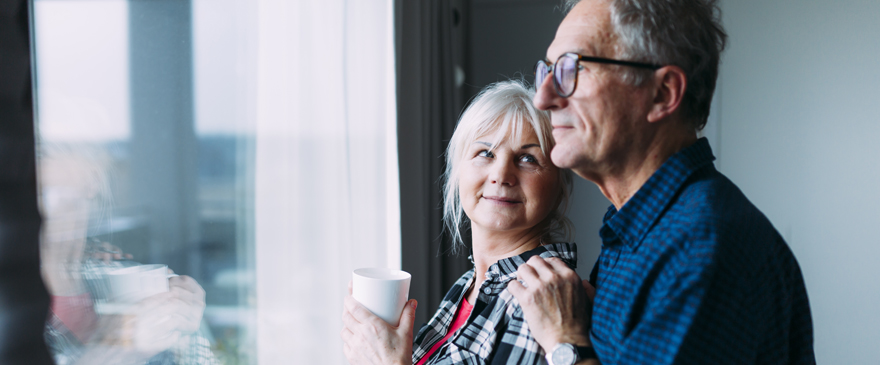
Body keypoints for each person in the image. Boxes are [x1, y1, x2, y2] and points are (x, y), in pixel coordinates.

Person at [505, 1, 816, 364]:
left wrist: (564, 340)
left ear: (663, 93)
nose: (543, 97)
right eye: (549, 71)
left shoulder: (701, 249)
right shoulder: (643, 229)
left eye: (572, 69)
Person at [341, 80, 576, 364]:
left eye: (527, 158)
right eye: (485, 153)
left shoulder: (540, 296)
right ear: (457, 171)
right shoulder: (469, 284)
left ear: (559, 183)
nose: (501, 175)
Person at [39, 143, 217, 365]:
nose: (71, 211)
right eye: (52, 196)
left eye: (84, 195)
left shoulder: (107, 272)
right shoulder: (14, 304)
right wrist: (120, 347)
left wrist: (184, 330)